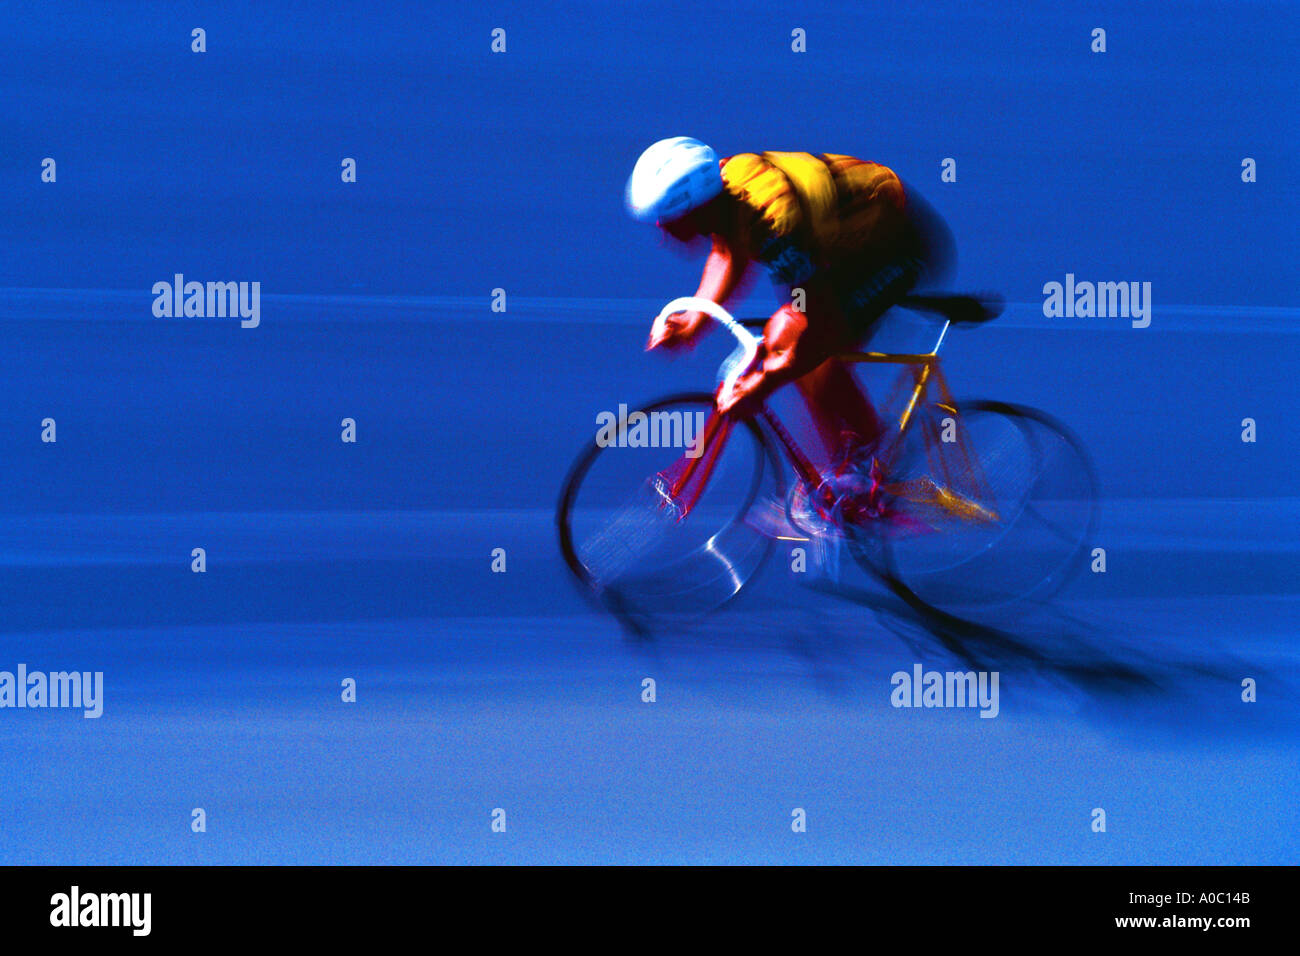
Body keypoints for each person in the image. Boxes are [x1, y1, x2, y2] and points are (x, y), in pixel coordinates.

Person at [627, 137, 958, 480]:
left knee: (815, 361)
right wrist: (693, 321)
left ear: (693, 208)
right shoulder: (721, 191)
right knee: (789, 347)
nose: (659, 229)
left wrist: (761, 384)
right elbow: (729, 253)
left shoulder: (774, 224)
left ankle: (869, 468)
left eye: (665, 218)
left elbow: (818, 329)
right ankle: (847, 474)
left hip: (897, 249)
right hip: (838, 245)